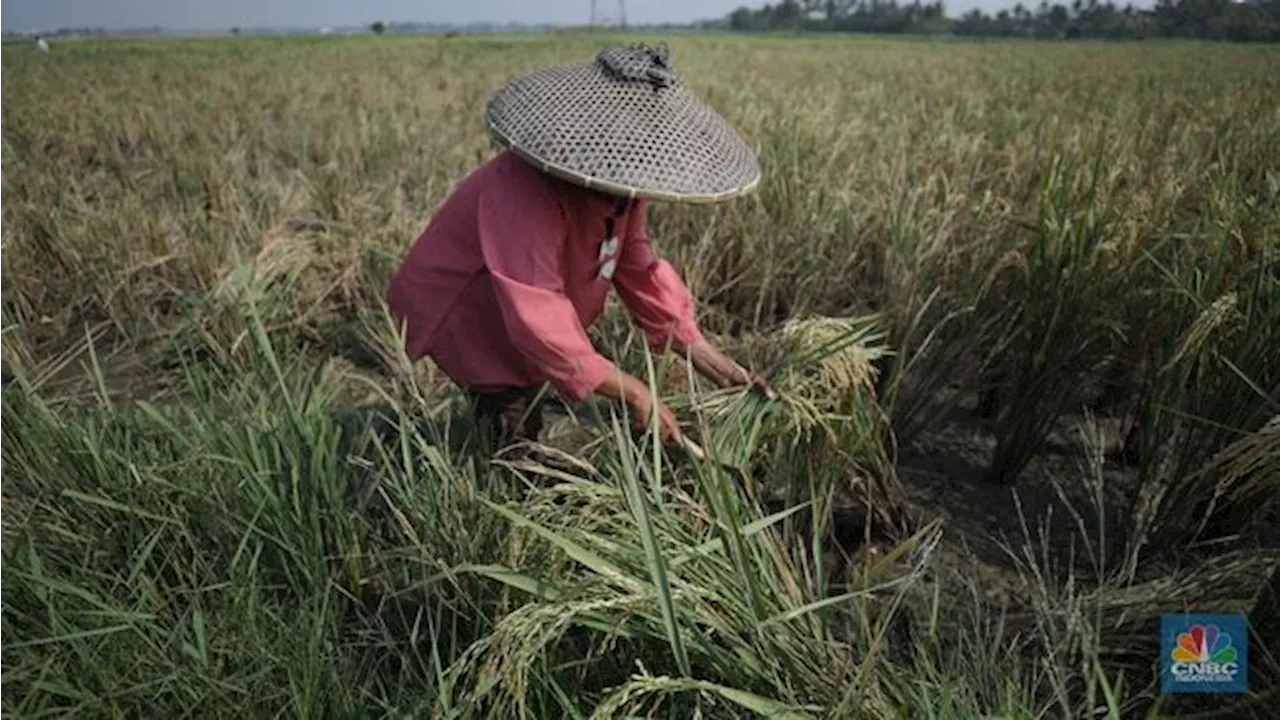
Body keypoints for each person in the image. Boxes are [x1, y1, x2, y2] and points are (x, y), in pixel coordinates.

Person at [386, 43, 774, 450]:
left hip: (522, 308)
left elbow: (638, 269)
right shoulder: (523, 191)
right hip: (473, 306)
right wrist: (635, 392)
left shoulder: (621, 187)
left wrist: (716, 365)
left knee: (545, 381)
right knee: (514, 431)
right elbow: (535, 311)